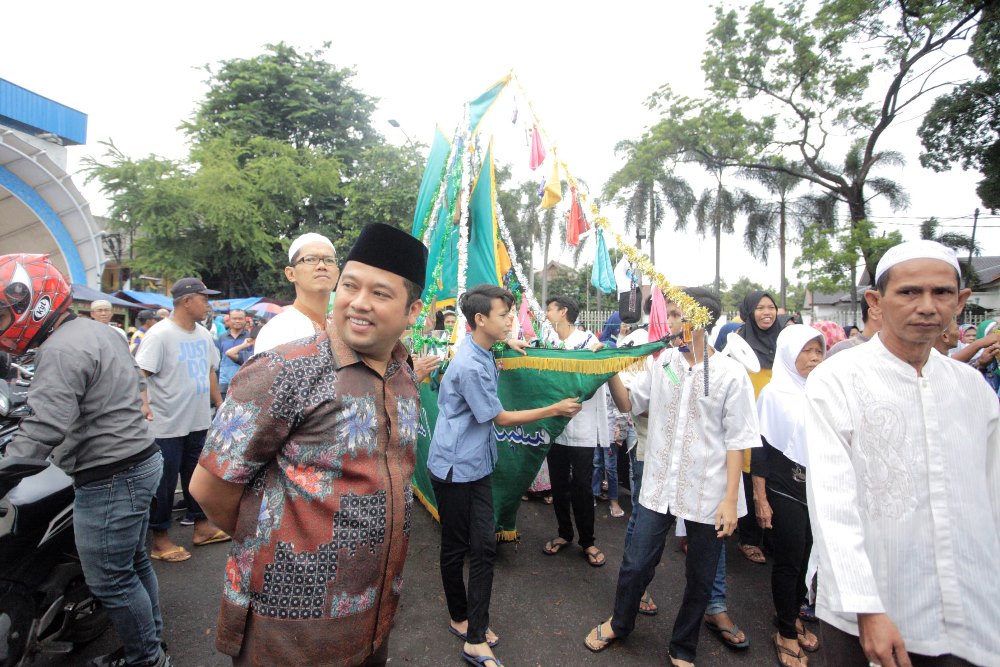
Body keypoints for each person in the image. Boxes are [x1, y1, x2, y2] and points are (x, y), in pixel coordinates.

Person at [190, 223, 429, 666]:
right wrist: (275, 555)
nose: (358, 302)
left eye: (380, 294)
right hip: (287, 630)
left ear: (412, 309)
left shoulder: (405, 374)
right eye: (350, 286)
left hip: (375, 619)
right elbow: (210, 489)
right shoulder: (285, 368)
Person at [806, 240, 999, 666]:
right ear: (876, 301)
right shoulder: (836, 380)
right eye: (910, 292)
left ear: (961, 301)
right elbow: (833, 506)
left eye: (942, 293)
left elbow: (992, 495)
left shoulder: (973, 390)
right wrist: (868, 609)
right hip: (875, 610)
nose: (927, 306)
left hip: (973, 607)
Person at [0, 254, 170, 667]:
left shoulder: (58, 350)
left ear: (32, 302)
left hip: (111, 475)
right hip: (140, 460)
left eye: (5, 313)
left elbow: (43, 428)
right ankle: (152, 647)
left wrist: (5, 470)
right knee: (132, 565)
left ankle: (147, 660)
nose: (2, 325)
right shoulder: (97, 330)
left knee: (110, 580)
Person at [584, 288, 760, 667]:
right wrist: (610, 367)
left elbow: (738, 442)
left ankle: (683, 646)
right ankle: (620, 622)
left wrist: (730, 500)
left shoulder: (730, 375)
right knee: (635, 563)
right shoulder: (664, 363)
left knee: (700, 578)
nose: (669, 322)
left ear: (701, 321)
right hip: (658, 487)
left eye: (678, 314)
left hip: (708, 494)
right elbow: (630, 403)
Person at [427, 284, 581, 667]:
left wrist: (505, 345)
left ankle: (475, 635)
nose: (512, 320)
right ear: (480, 320)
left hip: (476, 464)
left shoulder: (481, 349)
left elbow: (490, 351)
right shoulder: (468, 366)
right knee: (456, 547)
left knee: (482, 548)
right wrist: (555, 408)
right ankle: (461, 618)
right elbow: (501, 418)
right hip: (454, 468)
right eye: (504, 315)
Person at [135, 277, 226, 563]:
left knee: (196, 477)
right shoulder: (160, 334)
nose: (207, 305)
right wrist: (143, 406)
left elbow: (211, 370)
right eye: (204, 298)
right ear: (187, 301)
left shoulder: (203, 335)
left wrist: (219, 404)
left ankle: (202, 527)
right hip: (166, 424)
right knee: (163, 484)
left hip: (197, 421)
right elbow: (141, 374)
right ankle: (159, 540)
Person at [751, 325, 826, 667]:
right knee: (790, 559)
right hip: (783, 488)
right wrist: (760, 497)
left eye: (818, 350)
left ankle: (792, 614)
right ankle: (784, 632)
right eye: (806, 350)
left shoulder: (823, 391)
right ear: (787, 354)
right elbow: (761, 451)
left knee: (809, 558)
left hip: (817, 489)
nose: (814, 357)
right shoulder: (772, 394)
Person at [540, 295, 610, 568]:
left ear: (563, 311)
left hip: (581, 427)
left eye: (549, 309)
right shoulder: (548, 342)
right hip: (556, 425)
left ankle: (588, 540)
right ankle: (564, 533)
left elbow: (598, 369)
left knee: (581, 486)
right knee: (558, 484)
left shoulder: (588, 341)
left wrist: (602, 355)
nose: (546, 314)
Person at [734, 290, 780, 565]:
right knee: (750, 476)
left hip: (777, 420)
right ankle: (748, 538)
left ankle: (773, 535)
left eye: (771, 307)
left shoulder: (783, 341)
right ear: (750, 312)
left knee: (774, 478)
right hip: (750, 418)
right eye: (761, 308)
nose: (767, 312)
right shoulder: (739, 342)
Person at [253, 232, 339, 354]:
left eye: (329, 260)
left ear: (337, 273)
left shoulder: (345, 328)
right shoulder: (276, 331)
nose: (322, 266)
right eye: (310, 259)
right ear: (291, 274)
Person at [215, 309, 254, 400]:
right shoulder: (222, 338)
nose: (237, 321)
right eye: (234, 318)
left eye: (240, 319)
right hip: (224, 383)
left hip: (244, 382)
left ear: (245, 320)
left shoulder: (250, 339)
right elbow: (217, 361)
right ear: (229, 320)